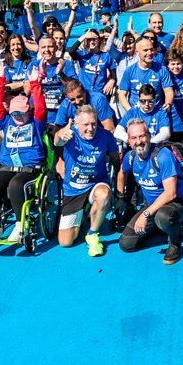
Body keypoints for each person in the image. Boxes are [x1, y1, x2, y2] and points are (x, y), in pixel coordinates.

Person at [0, 63, 48, 244]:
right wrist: (0, 80)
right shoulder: (7, 122)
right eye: (14, 112)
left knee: (16, 184)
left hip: (29, 168)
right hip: (7, 166)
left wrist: (34, 83)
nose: (18, 115)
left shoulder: (36, 124)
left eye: (21, 112)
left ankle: (20, 224)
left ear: (29, 111)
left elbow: (41, 108)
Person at [116, 118, 183, 264]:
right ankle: (160, 227)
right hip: (152, 206)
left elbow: (171, 193)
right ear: (129, 141)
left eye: (142, 136)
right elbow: (122, 173)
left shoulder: (162, 155)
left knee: (163, 217)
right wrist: (120, 197)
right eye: (134, 138)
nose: (138, 141)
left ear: (149, 136)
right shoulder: (130, 157)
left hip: (177, 203)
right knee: (126, 244)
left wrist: (145, 214)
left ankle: (175, 242)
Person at [53, 105, 118, 255]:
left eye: (93, 124)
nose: (90, 128)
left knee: (103, 194)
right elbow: (57, 141)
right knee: (65, 242)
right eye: (86, 124)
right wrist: (61, 134)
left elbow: (115, 159)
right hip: (73, 189)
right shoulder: (69, 134)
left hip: (96, 184)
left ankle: (92, 234)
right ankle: (83, 214)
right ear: (76, 124)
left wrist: (118, 192)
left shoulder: (106, 136)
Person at [117, 37, 173, 114]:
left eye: (151, 49)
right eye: (145, 50)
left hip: (156, 114)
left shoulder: (162, 69)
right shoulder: (129, 71)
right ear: (137, 52)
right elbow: (122, 94)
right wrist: (130, 111)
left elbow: (168, 91)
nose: (149, 53)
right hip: (136, 115)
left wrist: (168, 104)